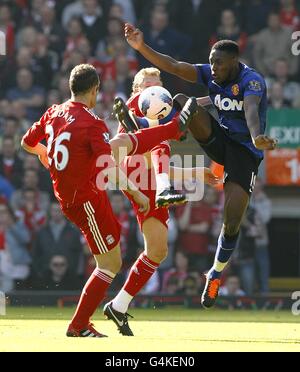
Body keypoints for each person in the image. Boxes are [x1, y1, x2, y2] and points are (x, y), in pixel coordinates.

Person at [21, 63, 196, 337]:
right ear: (94, 91)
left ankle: (90, 319)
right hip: (86, 198)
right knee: (110, 265)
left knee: (115, 259)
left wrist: (44, 153)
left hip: (79, 195)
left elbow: (26, 142)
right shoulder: (92, 123)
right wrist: (136, 192)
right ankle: (79, 326)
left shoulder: (53, 111)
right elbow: (108, 166)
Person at [123, 24, 278, 309]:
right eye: (210, 62)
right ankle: (146, 126)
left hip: (245, 152)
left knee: (232, 221)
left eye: (218, 63)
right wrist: (141, 48)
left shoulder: (252, 81)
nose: (212, 67)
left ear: (234, 62)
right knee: (182, 101)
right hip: (219, 140)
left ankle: (215, 274)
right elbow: (173, 65)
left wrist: (257, 138)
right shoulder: (211, 73)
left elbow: (251, 110)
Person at [104, 68, 218, 335]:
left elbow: (161, 163)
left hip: (150, 176)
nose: (154, 89)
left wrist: (194, 173)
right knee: (160, 138)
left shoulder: (162, 106)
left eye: (158, 84)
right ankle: (143, 135)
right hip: (132, 166)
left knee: (157, 251)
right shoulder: (139, 103)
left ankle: (118, 306)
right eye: (147, 85)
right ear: (136, 89)